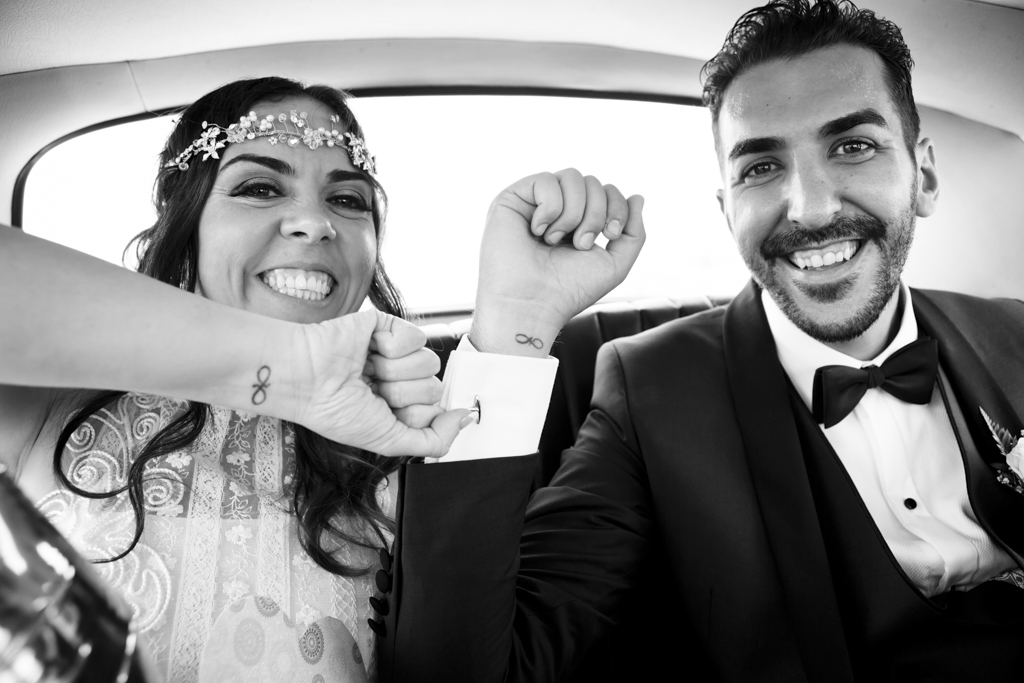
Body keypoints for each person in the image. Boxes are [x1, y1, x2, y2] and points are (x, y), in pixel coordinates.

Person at [376, 1, 1024, 681]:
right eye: (761, 168)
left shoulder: (1012, 332)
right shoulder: (652, 393)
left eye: (852, 146)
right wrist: (512, 325)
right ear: (727, 209)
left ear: (923, 176)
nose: (810, 206)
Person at [0, 77, 646, 682]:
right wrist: (286, 368)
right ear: (185, 217)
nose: (316, 222)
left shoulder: (409, 428)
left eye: (345, 199)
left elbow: (454, 668)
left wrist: (517, 320)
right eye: (259, 187)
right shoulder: (57, 402)